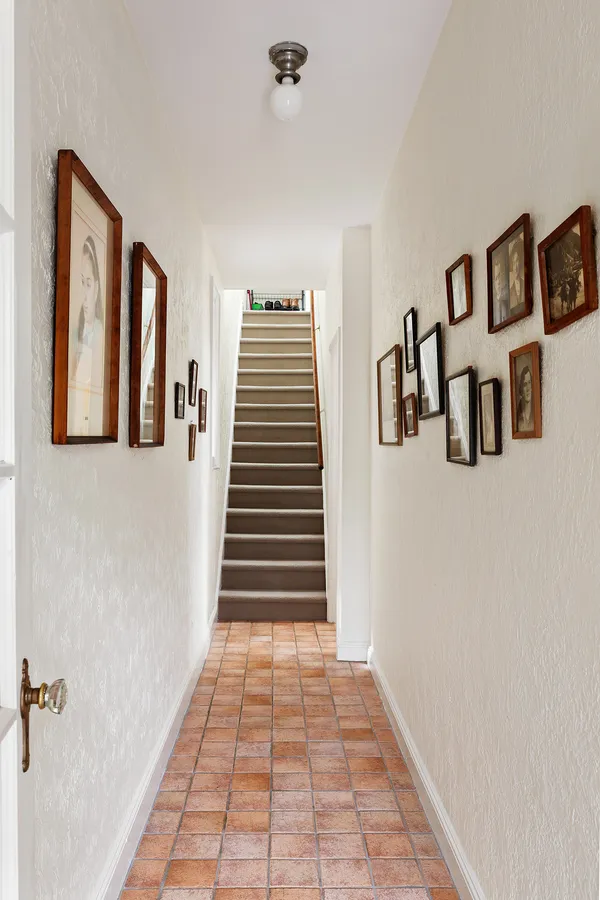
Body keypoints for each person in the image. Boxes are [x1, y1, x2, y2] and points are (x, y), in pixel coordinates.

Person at [70, 234, 105, 434]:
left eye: (89, 284)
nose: (84, 293)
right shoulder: (76, 333)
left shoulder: (100, 334)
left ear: (97, 288)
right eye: (81, 282)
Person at [493, 252, 509, 324]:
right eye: (496, 278)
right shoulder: (493, 307)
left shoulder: (507, 298)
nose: (499, 282)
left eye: (500, 276)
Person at [516, 364, 534, 432]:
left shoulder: (536, 411)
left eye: (529, 383)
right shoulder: (518, 415)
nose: (528, 388)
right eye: (525, 384)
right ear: (521, 388)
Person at [509, 239, 524, 312]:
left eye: (517, 261)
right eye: (513, 262)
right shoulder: (510, 292)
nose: (515, 267)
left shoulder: (525, 284)